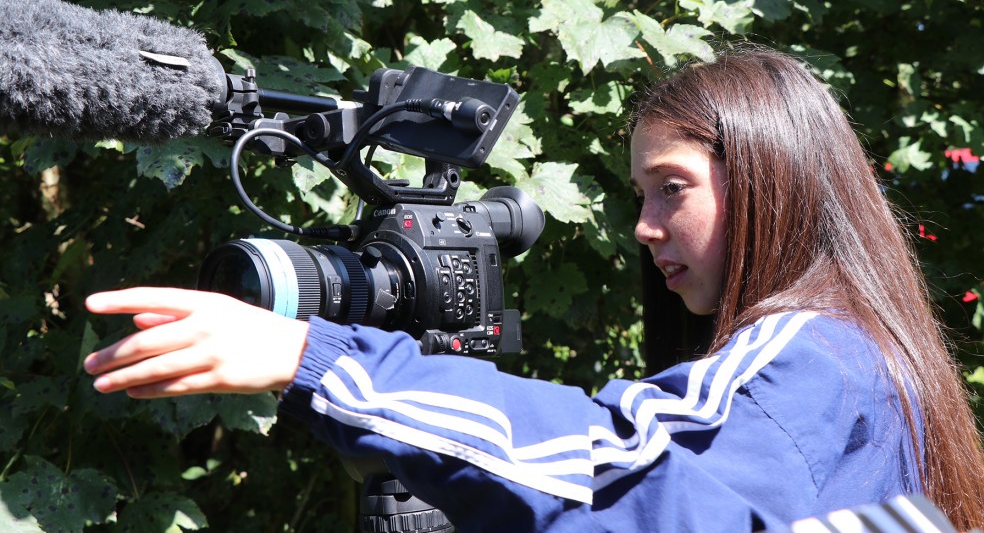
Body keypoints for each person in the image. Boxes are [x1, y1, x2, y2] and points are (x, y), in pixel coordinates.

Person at [83, 46, 984, 531]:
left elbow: (617, 472)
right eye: (641, 196)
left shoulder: (809, 350)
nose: (644, 227)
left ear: (770, 175)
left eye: (673, 188)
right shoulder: (877, 357)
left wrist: (311, 357)